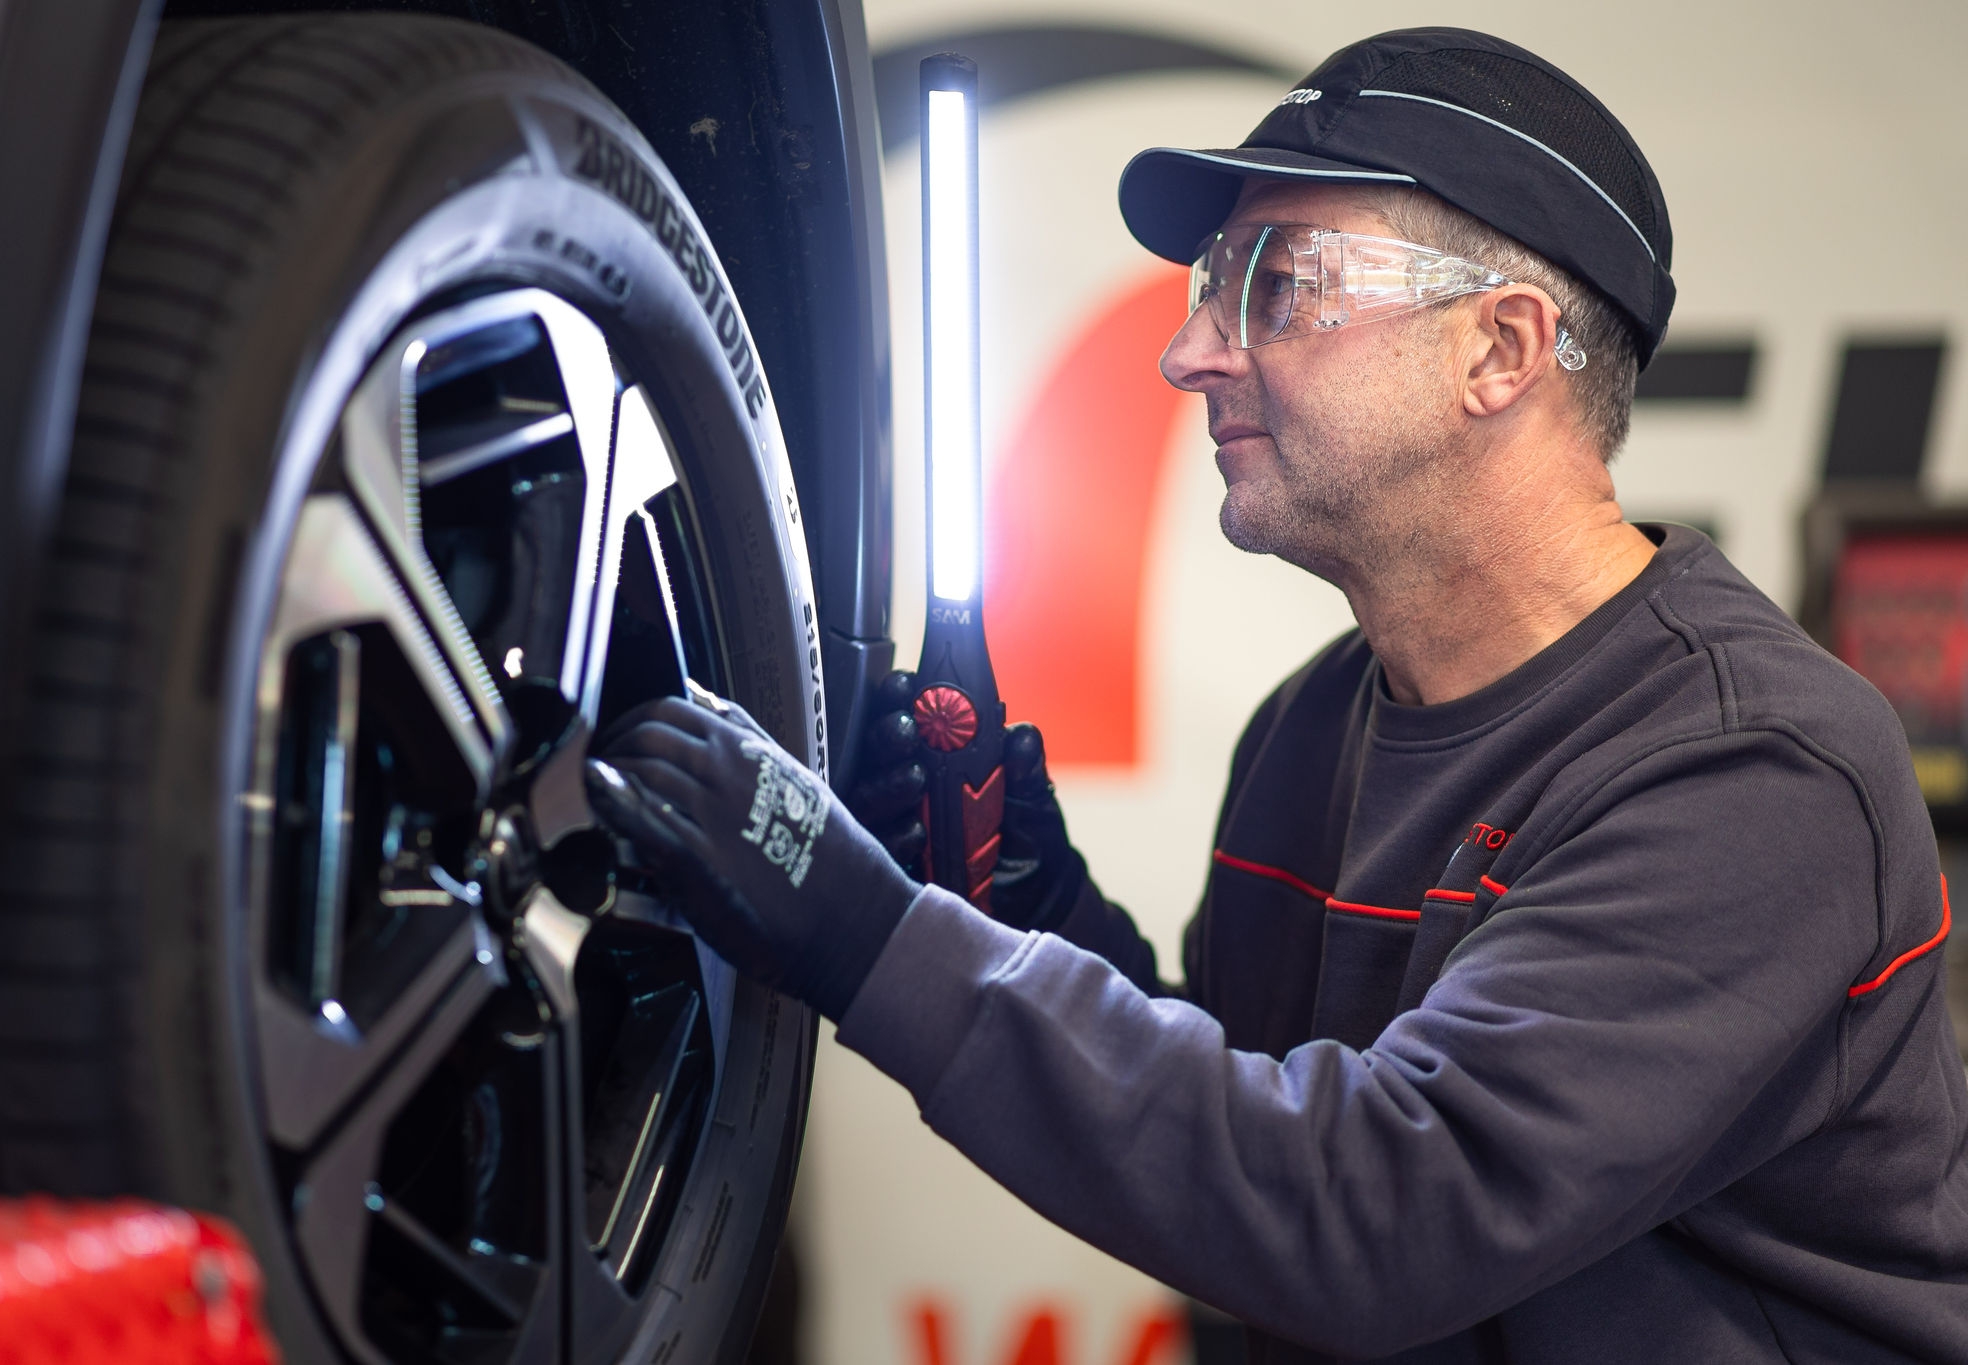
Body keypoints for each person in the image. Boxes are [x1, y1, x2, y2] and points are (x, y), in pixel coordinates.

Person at [589, 27, 1968, 1363]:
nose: (1188, 351)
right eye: (1208, 281)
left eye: (1277, 283)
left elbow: (1369, 1213)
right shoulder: (1313, 730)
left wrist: (863, 931)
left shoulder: (1753, 774)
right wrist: (1024, 899)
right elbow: (1257, 1115)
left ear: (1501, 349)